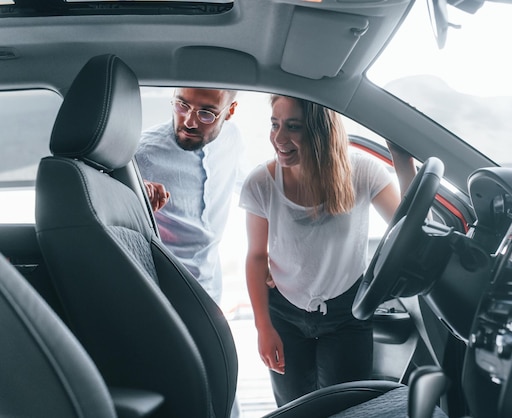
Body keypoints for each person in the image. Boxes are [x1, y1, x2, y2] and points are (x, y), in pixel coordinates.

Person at [239, 95, 416, 407]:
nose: (278, 138)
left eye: (293, 127)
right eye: (275, 125)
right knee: (295, 410)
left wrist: (403, 164)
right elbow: (255, 257)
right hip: (285, 312)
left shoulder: (364, 171)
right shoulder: (260, 183)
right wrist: (262, 327)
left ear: (321, 132)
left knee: (345, 410)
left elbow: (409, 228)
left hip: (347, 313)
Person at [135, 88, 244, 305]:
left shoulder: (232, 138)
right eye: (181, 105)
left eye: (206, 113)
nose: (189, 122)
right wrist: (137, 193)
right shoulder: (142, 153)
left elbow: (248, 187)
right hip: (161, 294)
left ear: (230, 111)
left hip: (212, 292)